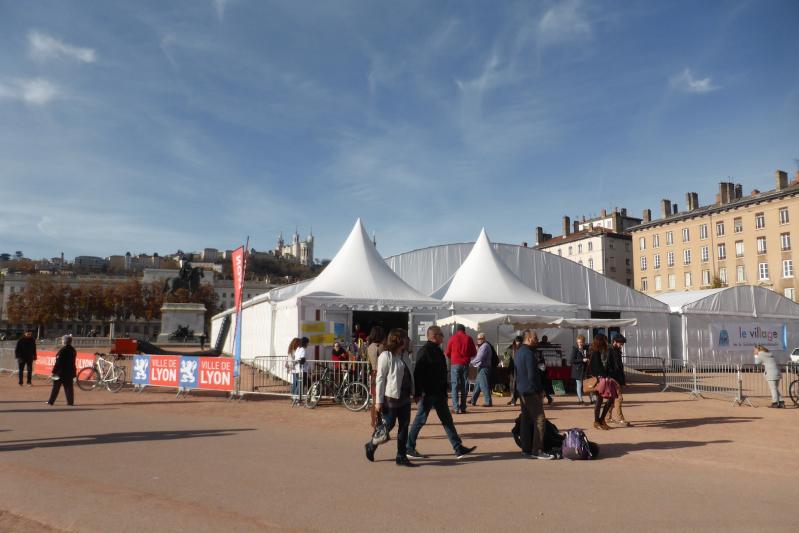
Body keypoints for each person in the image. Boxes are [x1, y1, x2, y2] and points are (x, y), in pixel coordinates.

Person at [406, 326, 476, 460]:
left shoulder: (437, 351)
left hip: (438, 393)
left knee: (447, 420)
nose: (443, 337)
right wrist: (418, 393)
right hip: (428, 393)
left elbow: (442, 372)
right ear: (433, 336)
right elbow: (418, 373)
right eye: (440, 335)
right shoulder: (424, 351)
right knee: (420, 420)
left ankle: (458, 448)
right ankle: (409, 447)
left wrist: (445, 390)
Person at [364, 328, 417, 467]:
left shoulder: (405, 355)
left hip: (405, 396)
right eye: (405, 338)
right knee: (389, 424)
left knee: (404, 426)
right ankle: (371, 445)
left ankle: (401, 456)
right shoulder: (386, 356)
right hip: (391, 396)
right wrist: (378, 401)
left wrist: (414, 392)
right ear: (398, 340)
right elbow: (380, 379)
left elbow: (410, 375)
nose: (408, 340)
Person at [514, 329, 554, 459]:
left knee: (526, 420)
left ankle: (526, 449)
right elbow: (532, 375)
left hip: (522, 390)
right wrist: (539, 391)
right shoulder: (529, 354)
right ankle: (537, 450)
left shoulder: (519, 352)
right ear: (529, 338)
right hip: (531, 391)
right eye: (535, 337)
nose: (537, 339)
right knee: (539, 419)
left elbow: (518, 374)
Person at [445, 324, 476, 414]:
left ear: (457, 330)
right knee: (464, 385)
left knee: (454, 385)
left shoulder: (453, 338)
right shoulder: (469, 338)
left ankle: (455, 408)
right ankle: (463, 407)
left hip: (455, 363)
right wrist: (467, 356)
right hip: (465, 364)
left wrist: (453, 356)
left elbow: (447, 353)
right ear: (464, 330)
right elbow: (474, 353)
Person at [590, 333, 615, 430]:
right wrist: (605, 376)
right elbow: (597, 368)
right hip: (600, 380)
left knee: (604, 400)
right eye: (604, 340)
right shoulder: (595, 353)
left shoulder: (598, 351)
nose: (606, 342)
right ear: (600, 341)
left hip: (602, 378)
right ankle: (598, 421)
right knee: (602, 400)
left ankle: (600, 420)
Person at [607, 334, 630, 426]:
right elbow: (608, 366)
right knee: (619, 398)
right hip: (613, 378)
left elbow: (620, 368)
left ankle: (607, 417)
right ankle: (620, 419)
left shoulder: (617, 351)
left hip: (617, 378)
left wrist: (623, 381)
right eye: (621, 344)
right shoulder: (609, 351)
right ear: (615, 342)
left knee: (612, 400)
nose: (622, 346)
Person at [47, 335, 76, 406]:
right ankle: (70, 402)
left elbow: (58, 362)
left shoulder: (63, 350)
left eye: (63, 340)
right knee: (69, 387)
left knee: (55, 387)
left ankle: (51, 401)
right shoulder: (73, 350)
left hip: (60, 372)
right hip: (69, 371)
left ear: (64, 341)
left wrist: (53, 372)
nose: (62, 341)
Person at [366, 326, 386, 428]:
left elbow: (368, 363)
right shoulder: (383, 347)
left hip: (373, 374)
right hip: (382, 373)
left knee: (374, 399)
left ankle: (373, 421)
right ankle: (380, 421)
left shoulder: (369, 347)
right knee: (383, 399)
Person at [469, 332, 494, 407]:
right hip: (481, 367)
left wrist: (471, 362)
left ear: (484, 339)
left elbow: (480, 358)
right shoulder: (482, 346)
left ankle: (488, 401)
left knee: (484, 385)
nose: (478, 340)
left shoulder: (485, 346)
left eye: (480, 339)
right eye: (477, 339)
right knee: (478, 385)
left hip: (484, 367)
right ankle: (473, 400)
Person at [568, 334, 589, 405]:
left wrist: (587, 359)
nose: (580, 344)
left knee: (587, 384)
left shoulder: (585, 349)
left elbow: (587, 356)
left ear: (583, 342)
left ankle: (592, 399)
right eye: (579, 342)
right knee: (579, 385)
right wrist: (582, 360)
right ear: (577, 342)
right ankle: (580, 400)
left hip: (584, 369)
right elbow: (571, 360)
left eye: (581, 342)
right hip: (577, 370)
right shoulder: (575, 349)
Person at [505, 336, 523, 406]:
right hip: (513, 369)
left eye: (519, 341)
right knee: (512, 384)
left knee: (516, 385)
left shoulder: (523, 348)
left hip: (519, 369)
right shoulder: (511, 348)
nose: (518, 343)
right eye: (517, 341)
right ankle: (513, 399)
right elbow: (507, 358)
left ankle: (514, 400)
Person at [287, 337, 303, 405]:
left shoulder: (291, 350)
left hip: (294, 368)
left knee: (295, 383)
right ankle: (295, 397)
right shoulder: (295, 351)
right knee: (298, 384)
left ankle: (293, 396)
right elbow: (295, 360)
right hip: (296, 369)